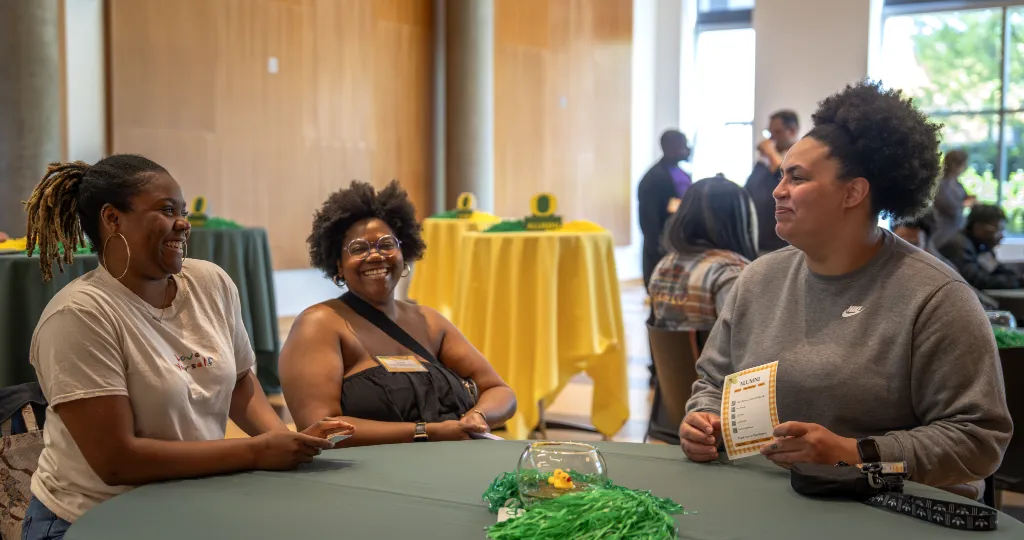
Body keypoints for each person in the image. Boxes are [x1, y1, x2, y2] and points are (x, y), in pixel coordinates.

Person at [680, 81, 1012, 489]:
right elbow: (713, 383)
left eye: (797, 179)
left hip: (891, 516)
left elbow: (978, 440)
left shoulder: (936, 297)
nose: (777, 191)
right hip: (767, 502)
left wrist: (855, 454)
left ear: (853, 192)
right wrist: (703, 421)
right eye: (782, 175)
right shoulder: (758, 279)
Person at [21, 156, 354, 539]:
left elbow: (240, 381)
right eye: (166, 210)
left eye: (182, 211)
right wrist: (257, 452)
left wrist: (281, 441)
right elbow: (117, 461)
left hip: (191, 504)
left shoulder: (211, 282)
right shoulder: (78, 316)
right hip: (91, 520)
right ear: (113, 219)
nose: (183, 223)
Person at [279, 180, 516, 445]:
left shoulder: (429, 321)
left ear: (404, 252)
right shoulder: (320, 324)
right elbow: (320, 428)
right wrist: (426, 432)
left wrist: (479, 416)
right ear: (339, 265)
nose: (375, 256)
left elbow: (499, 391)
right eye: (358, 249)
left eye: (386, 244)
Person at [649, 175, 757, 331]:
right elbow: (747, 341)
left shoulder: (665, 264)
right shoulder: (732, 271)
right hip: (714, 356)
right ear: (739, 218)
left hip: (678, 356)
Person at [891, 215, 997, 309]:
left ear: (926, 248)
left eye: (913, 244)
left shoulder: (943, 273)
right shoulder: (882, 271)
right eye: (899, 243)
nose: (904, 251)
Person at [638, 130, 692, 289]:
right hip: (660, 246)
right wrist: (657, 248)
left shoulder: (683, 174)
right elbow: (649, 220)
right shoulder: (653, 178)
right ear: (670, 147)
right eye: (683, 145)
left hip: (680, 243)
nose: (687, 149)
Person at [745, 110, 800, 255]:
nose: (772, 138)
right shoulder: (766, 161)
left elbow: (787, 178)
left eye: (777, 132)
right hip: (759, 240)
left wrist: (771, 153)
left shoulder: (800, 158)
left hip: (784, 244)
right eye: (770, 133)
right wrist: (763, 159)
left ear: (792, 131)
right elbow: (748, 190)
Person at [939, 204, 1022, 290]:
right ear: (978, 226)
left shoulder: (981, 246)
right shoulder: (959, 246)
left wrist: (1017, 277)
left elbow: (995, 268)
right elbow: (976, 281)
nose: (1001, 236)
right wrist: (1015, 281)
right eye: (998, 229)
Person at [931, 149, 973, 248]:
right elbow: (947, 206)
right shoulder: (941, 184)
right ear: (954, 165)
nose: (965, 167)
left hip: (957, 227)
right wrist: (965, 204)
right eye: (963, 164)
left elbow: (965, 198)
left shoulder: (957, 184)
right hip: (945, 229)